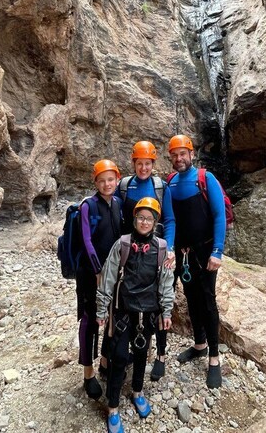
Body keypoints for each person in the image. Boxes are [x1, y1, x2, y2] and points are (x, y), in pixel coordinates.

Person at [97, 197, 175, 433]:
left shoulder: (161, 249)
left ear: (155, 222)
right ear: (134, 219)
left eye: (149, 219)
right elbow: (108, 277)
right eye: (141, 217)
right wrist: (102, 309)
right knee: (119, 357)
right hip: (123, 311)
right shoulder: (122, 245)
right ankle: (112, 407)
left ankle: (138, 391)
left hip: (148, 313)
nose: (144, 222)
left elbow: (166, 282)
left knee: (141, 355)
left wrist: (167, 311)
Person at [166, 134, 226, 388]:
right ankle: (200, 344)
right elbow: (169, 220)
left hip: (205, 251)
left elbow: (219, 215)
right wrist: (170, 248)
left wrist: (217, 251)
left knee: (207, 300)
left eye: (183, 153)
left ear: (191, 154)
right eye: (174, 155)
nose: (179, 158)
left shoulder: (205, 178)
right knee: (190, 296)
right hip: (184, 253)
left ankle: (214, 357)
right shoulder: (170, 183)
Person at [116, 140, 177, 381]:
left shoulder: (160, 187)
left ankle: (160, 354)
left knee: (159, 302)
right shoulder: (124, 186)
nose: (143, 168)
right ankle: (131, 348)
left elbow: (169, 220)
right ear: (133, 163)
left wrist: (169, 248)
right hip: (131, 253)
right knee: (129, 298)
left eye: (147, 163)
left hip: (156, 251)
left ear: (153, 163)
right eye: (139, 163)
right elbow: (118, 218)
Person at [77, 159, 123, 400]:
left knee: (111, 316)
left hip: (113, 272)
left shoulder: (118, 204)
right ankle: (88, 373)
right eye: (102, 180)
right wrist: (98, 271)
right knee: (90, 319)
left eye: (111, 179)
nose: (107, 184)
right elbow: (87, 241)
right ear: (95, 182)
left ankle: (105, 360)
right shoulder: (88, 206)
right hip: (91, 274)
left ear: (117, 180)